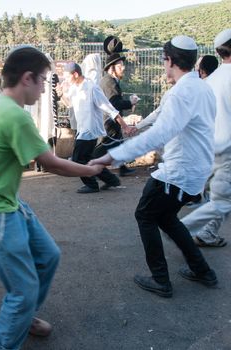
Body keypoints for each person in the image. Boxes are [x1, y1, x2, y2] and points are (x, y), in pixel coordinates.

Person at [0, 46, 104, 350]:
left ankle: (24, 315)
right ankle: (0, 344)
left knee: (48, 256)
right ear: (27, 78)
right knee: (23, 287)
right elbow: (52, 163)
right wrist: (92, 169)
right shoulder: (14, 115)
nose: (45, 89)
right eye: (43, 81)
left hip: (5, 204)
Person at [90, 35, 218, 298]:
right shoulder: (201, 88)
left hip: (178, 173)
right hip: (195, 170)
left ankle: (161, 279)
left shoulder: (182, 93)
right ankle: (202, 270)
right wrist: (139, 125)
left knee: (146, 215)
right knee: (167, 217)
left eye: (164, 61)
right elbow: (160, 114)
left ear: (170, 60)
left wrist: (111, 157)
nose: (163, 66)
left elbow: (159, 134)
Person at [181, 29, 231, 247]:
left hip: (208, 145)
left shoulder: (212, 79)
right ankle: (182, 230)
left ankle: (202, 232)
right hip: (228, 149)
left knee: (211, 194)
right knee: (221, 200)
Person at [57, 62, 128, 193]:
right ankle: (112, 180)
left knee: (78, 159)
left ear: (76, 74)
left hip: (90, 130)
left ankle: (91, 184)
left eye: (67, 76)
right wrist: (61, 94)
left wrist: (125, 126)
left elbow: (109, 108)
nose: (65, 80)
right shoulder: (74, 88)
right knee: (88, 159)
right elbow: (69, 104)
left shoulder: (92, 88)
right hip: (82, 129)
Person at [100, 36, 139, 177]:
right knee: (99, 154)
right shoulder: (109, 82)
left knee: (117, 146)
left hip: (110, 123)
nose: (123, 67)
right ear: (111, 68)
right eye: (120, 66)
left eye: (123, 65)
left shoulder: (110, 80)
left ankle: (121, 169)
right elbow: (114, 103)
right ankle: (92, 173)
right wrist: (130, 103)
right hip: (108, 123)